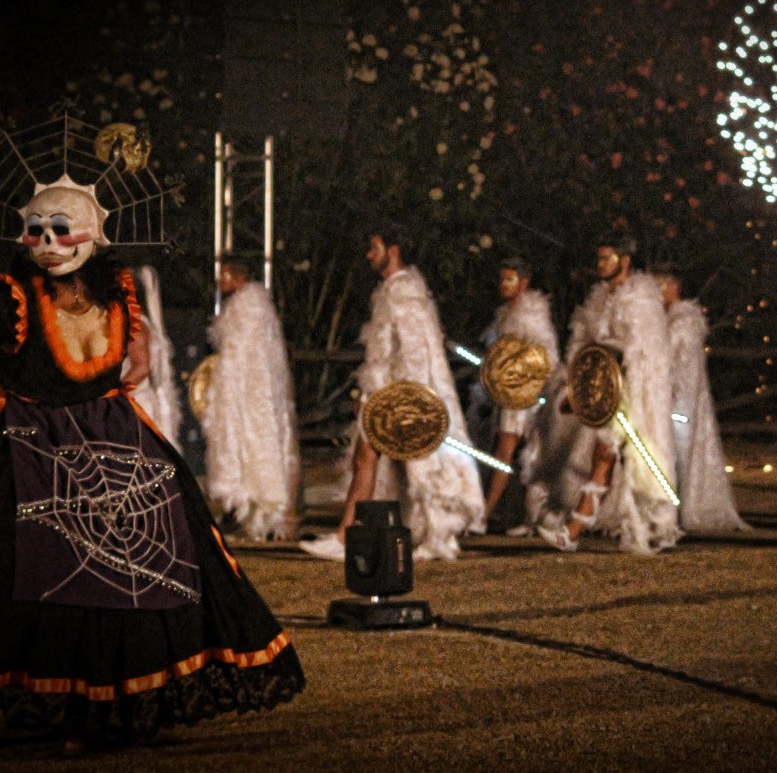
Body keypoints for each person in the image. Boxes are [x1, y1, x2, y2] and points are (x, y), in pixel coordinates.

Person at [0, 175, 304, 753]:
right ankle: (42, 715)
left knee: (48, 572)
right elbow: (127, 365)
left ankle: (36, 714)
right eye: (35, 230)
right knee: (7, 571)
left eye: (60, 229)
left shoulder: (69, 292)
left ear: (89, 234)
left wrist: (6, 369)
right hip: (87, 432)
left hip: (57, 436)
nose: (46, 242)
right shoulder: (55, 292)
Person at [300, 226, 484, 561]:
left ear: (393, 251)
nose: (369, 255)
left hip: (402, 399)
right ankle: (348, 535)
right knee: (370, 459)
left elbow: (413, 354)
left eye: (375, 248)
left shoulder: (404, 293)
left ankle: (428, 536)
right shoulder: (395, 291)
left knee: (416, 464)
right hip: (391, 396)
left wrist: (397, 402)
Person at [532, 234, 680, 554]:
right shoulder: (598, 299)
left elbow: (646, 353)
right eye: (599, 259)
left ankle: (643, 527)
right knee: (604, 458)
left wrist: (628, 385)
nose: (600, 265)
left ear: (624, 261)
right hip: (607, 392)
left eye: (607, 258)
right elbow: (586, 348)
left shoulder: (641, 300)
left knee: (627, 460)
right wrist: (579, 390)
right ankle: (575, 532)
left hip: (633, 393)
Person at [200, 257, 302, 541]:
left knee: (255, 445)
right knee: (247, 446)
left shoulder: (248, 305)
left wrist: (229, 391)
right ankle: (244, 513)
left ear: (237, 276)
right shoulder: (250, 304)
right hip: (249, 393)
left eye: (224, 275)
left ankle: (262, 514)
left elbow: (243, 357)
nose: (219, 281)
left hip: (251, 395)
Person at [650, 263, 749, 534]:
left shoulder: (684, 322)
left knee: (679, 455)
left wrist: (673, 400)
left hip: (680, 402)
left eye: (659, 287)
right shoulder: (666, 321)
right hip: (668, 398)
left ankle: (677, 509)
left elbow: (679, 365)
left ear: (673, 288)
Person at [469, 256, 559, 535]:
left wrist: (529, 385)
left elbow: (546, 356)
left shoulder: (531, 313)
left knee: (507, 452)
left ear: (524, 282)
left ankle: (485, 514)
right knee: (520, 453)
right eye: (502, 279)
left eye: (510, 279)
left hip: (526, 396)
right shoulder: (505, 314)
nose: (504, 285)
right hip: (510, 394)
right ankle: (524, 518)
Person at [126, 263, 184, 451]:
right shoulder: (140, 322)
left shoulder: (136, 327)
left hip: (138, 404)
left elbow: (142, 367)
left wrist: (112, 396)